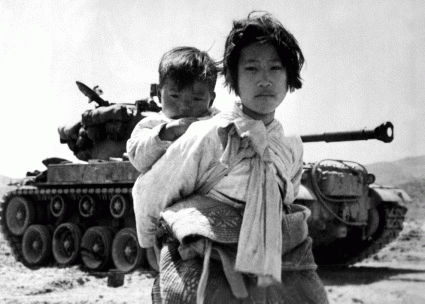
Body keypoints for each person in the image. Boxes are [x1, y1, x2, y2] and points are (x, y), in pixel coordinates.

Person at [133, 12, 329, 304]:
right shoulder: (207, 134)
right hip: (209, 261)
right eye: (251, 68)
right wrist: (149, 242)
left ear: (290, 79)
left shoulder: (291, 146)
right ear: (234, 79)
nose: (264, 80)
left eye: (275, 68)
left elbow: (287, 194)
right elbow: (152, 189)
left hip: (276, 258)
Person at [126, 46, 219, 174]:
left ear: (211, 100)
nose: (185, 106)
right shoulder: (152, 125)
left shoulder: (218, 123)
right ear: (159, 94)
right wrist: (168, 132)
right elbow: (138, 159)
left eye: (197, 99)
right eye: (175, 96)